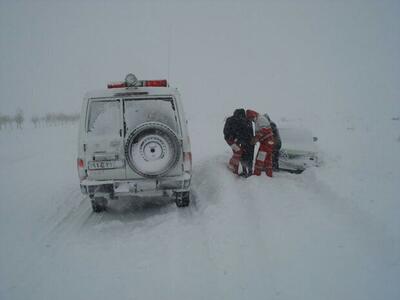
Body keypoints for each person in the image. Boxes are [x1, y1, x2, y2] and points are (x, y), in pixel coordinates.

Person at [223, 109, 254, 177]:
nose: (242, 118)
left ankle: (235, 170)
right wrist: (231, 137)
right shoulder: (232, 120)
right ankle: (231, 167)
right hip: (230, 140)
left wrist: (239, 140)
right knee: (238, 151)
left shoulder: (239, 120)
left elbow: (240, 132)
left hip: (235, 140)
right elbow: (229, 131)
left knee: (239, 153)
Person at [246, 109, 275, 177]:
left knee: (260, 158)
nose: (251, 120)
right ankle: (269, 175)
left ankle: (256, 175)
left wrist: (255, 139)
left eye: (250, 118)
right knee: (268, 160)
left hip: (267, 142)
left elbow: (264, 130)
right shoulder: (258, 120)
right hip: (267, 142)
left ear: (252, 115)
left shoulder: (260, 119)